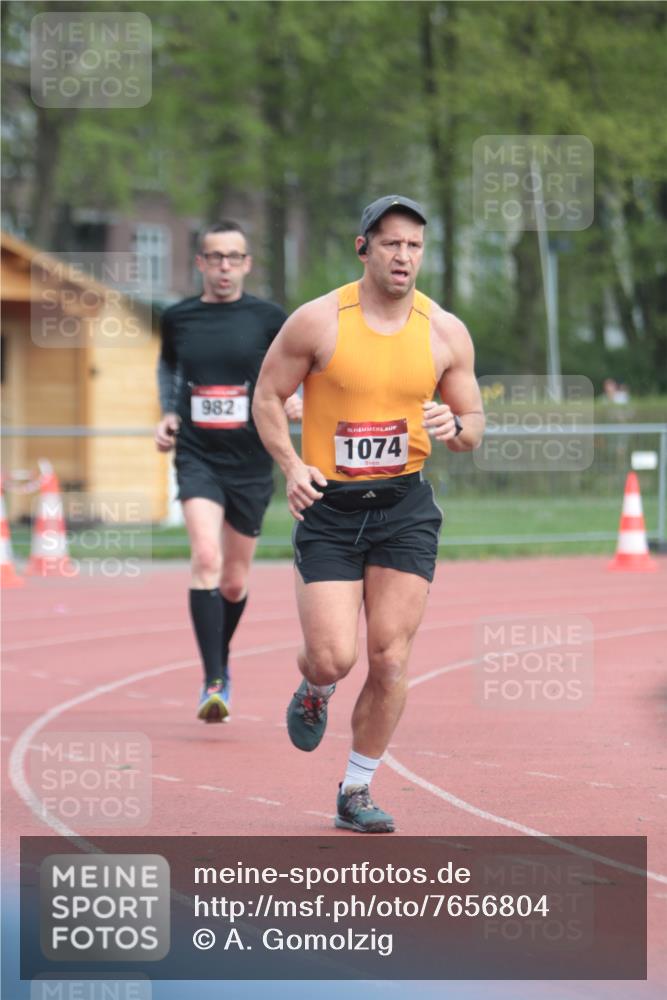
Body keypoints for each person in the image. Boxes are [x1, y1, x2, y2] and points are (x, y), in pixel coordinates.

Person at [252, 195, 485, 832]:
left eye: (413, 245)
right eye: (391, 244)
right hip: (329, 507)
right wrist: (292, 467)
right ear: (364, 248)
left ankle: (355, 790)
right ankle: (314, 689)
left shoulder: (443, 331)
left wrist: (454, 422)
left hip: (404, 508)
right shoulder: (318, 321)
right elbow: (267, 397)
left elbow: (473, 427)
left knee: (389, 659)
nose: (403, 256)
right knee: (333, 657)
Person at [155, 220, 302, 723]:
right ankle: (213, 679)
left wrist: (296, 397)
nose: (223, 267)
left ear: (247, 264)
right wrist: (169, 412)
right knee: (205, 555)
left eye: (233, 257)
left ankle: (222, 659)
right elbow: (169, 369)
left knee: (235, 583)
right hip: (197, 454)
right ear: (200, 263)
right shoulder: (178, 317)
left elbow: (294, 369)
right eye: (214, 257)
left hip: (251, 458)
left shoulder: (269, 318)